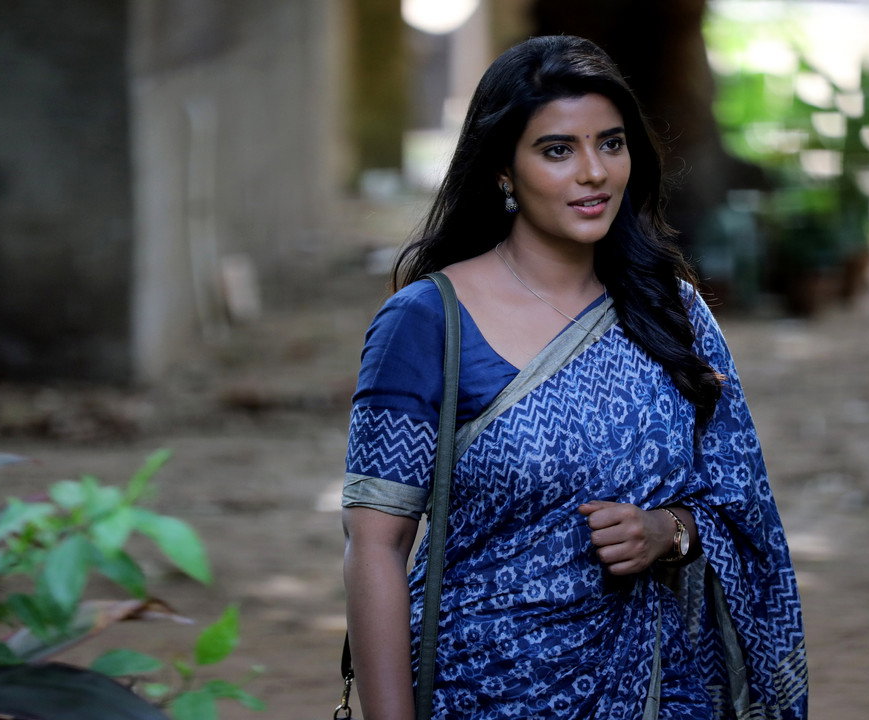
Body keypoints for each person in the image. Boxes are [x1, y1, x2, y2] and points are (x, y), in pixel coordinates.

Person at [342, 35, 807, 720]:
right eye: (558, 150)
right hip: (480, 691)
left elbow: (740, 509)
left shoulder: (670, 313)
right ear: (503, 170)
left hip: (660, 692)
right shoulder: (428, 323)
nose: (594, 172)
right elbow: (374, 547)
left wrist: (667, 531)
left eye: (610, 144)